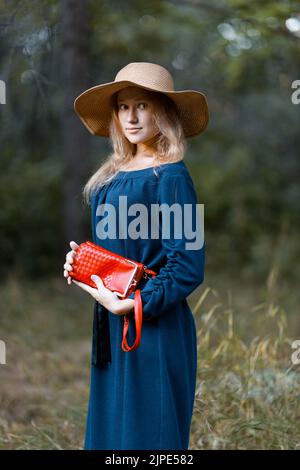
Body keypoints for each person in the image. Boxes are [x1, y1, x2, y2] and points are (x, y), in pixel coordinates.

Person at [63, 62, 209, 450]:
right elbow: (115, 254)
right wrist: (82, 265)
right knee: (111, 437)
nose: (131, 116)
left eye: (142, 105)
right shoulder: (111, 174)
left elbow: (188, 266)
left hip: (152, 323)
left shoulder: (172, 176)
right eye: (123, 106)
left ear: (162, 111)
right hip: (110, 324)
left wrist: (134, 305)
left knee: (150, 438)